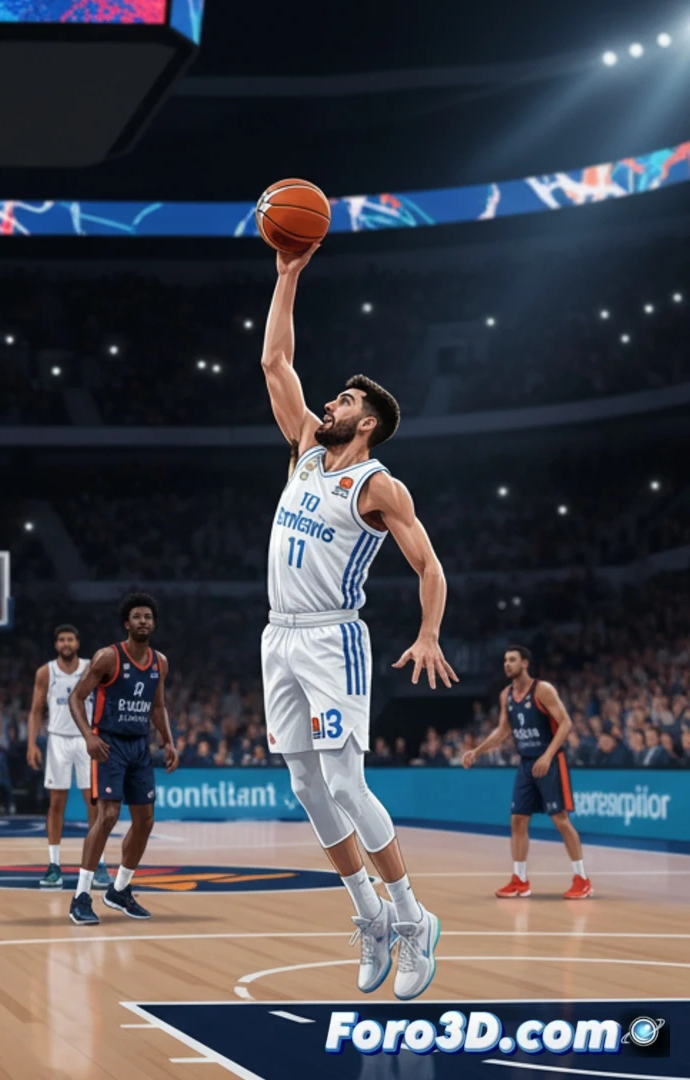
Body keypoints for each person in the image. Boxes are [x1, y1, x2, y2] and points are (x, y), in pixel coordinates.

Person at [260, 241, 458, 1002]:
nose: (328, 406)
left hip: (333, 633)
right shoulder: (306, 454)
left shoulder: (380, 486)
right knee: (306, 784)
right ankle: (369, 915)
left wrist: (430, 631)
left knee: (346, 779)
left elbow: (430, 567)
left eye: (343, 401)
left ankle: (412, 919)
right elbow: (277, 363)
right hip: (277, 633)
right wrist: (287, 274)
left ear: (367, 420)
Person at [63, 594, 178, 927]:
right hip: (109, 744)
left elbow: (158, 706)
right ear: (126, 623)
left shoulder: (160, 663)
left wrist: (168, 741)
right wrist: (88, 736)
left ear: (153, 624)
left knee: (146, 821)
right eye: (137, 617)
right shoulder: (107, 657)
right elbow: (76, 697)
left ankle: (120, 890)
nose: (143, 621)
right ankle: (81, 896)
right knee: (109, 814)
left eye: (148, 617)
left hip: (140, 746)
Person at [460, 646, 592, 899]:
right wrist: (477, 751)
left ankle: (582, 878)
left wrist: (547, 755)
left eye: (512, 660)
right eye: (505, 660)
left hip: (550, 761)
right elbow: (502, 730)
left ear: (525, 663)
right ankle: (520, 880)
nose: (507, 664)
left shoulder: (542, 690)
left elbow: (565, 723)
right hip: (526, 764)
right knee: (518, 820)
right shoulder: (506, 695)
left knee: (560, 819)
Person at [26, 624, 106, 889]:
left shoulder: (91, 668)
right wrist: (31, 744)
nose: (66, 644)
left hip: (87, 740)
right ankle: (54, 865)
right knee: (56, 804)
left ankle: (99, 863)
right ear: (56, 644)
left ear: (77, 643)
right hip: (58, 739)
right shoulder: (46, 672)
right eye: (61, 640)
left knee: (94, 804)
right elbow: (36, 710)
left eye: (70, 639)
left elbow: (106, 701)